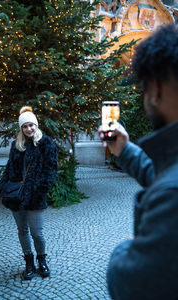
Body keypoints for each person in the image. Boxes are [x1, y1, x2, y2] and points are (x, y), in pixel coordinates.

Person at [99, 23, 178, 299]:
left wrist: (129, 247)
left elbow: (132, 282)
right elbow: (163, 173)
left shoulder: (172, 197)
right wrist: (124, 149)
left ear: (155, 87)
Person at [0, 106, 58, 280]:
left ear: (36, 125)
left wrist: (40, 191)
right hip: (16, 197)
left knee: (37, 232)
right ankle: (29, 263)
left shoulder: (46, 143)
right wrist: (3, 186)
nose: (28, 129)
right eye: (25, 126)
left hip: (35, 197)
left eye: (31, 125)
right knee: (22, 230)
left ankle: (42, 261)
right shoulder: (17, 145)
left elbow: (51, 171)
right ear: (21, 128)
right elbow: (9, 168)